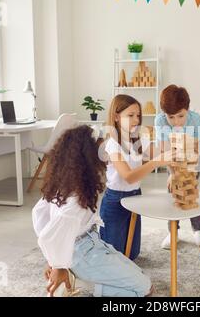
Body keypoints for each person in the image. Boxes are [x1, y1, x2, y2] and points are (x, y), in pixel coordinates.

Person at [33, 126, 153, 297]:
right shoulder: (76, 201)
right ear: (89, 155)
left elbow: (39, 215)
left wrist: (52, 259)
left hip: (90, 242)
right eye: (102, 145)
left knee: (140, 274)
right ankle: (83, 285)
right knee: (144, 288)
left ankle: (79, 277)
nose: (106, 149)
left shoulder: (67, 182)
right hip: (82, 253)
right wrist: (57, 265)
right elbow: (49, 235)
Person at [100, 94, 172, 260]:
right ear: (117, 117)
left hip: (134, 197)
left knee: (132, 254)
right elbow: (129, 177)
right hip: (115, 202)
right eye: (130, 115)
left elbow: (163, 154)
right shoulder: (113, 144)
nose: (135, 120)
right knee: (113, 257)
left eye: (138, 115)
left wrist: (173, 171)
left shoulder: (140, 140)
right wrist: (155, 163)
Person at [154, 85, 200, 250]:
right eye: (171, 117)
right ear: (164, 114)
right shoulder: (160, 121)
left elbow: (197, 151)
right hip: (172, 161)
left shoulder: (197, 121)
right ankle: (173, 231)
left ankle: (198, 229)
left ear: (187, 110)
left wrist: (186, 172)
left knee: (191, 193)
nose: (176, 121)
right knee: (174, 193)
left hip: (193, 161)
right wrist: (173, 173)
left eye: (180, 116)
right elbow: (165, 150)